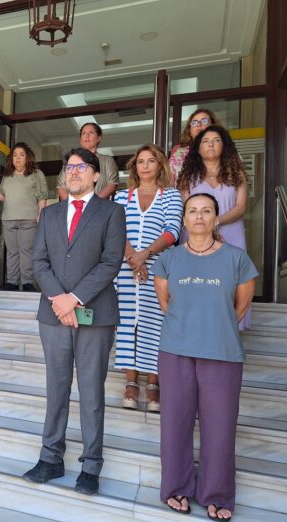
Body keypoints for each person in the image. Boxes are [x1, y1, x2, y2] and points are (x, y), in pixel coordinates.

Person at [23, 147, 126, 495]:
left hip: (95, 315)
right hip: (53, 315)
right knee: (57, 388)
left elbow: (111, 262)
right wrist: (60, 299)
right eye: (69, 167)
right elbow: (39, 262)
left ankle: (91, 465)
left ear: (96, 175)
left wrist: (75, 298)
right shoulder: (50, 214)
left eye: (82, 167)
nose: (74, 172)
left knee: (92, 391)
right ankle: (50, 458)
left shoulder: (112, 212)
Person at [153, 193, 257, 520]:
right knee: (175, 424)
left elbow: (240, 307)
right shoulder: (168, 259)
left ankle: (217, 494)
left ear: (215, 218)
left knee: (220, 427)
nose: (199, 216)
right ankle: (176, 487)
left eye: (206, 211)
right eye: (193, 211)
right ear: (184, 219)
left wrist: (215, 327)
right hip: (176, 351)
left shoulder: (237, 259)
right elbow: (166, 304)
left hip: (222, 352)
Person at [113, 144, 182, 413]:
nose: (145, 165)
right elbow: (115, 230)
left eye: (150, 160)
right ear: (134, 166)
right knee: (126, 323)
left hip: (158, 269)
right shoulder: (122, 196)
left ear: (159, 165)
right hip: (126, 268)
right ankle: (131, 382)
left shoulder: (171, 196)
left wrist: (145, 255)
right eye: (140, 161)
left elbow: (172, 231)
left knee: (156, 323)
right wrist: (133, 258)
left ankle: (154, 383)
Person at [177, 125, 251, 329]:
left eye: (216, 140)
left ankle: (230, 328)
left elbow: (241, 207)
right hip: (196, 236)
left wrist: (215, 222)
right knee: (196, 281)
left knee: (231, 282)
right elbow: (186, 209)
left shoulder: (237, 174)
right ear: (198, 148)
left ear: (224, 145)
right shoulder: (187, 177)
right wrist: (206, 227)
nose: (211, 144)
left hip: (231, 234)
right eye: (206, 141)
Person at [0, 142, 48, 291]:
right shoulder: (7, 175)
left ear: (27, 157)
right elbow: (3, 196)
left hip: (29, 219)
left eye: (21, 155)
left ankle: (27, 283)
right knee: (12, 252)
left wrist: (41, 215)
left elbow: (42, 196)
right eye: (15, 155)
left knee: (26, 251)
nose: (18, 158)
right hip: (8, 219)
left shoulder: (36, 174)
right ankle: (12, 282)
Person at [58, 122, 118, 200]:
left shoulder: (107, 160)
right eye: (84, 133)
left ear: (99, 138)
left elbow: (112, 184)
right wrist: (72, 203)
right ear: (80, 140)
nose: (87, 136)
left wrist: (93, 203)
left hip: (99, 205)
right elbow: (61, 186)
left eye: (91, 132)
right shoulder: (71, 161)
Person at [168, 108, 222, 184]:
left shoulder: (226, 152)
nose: (199, 125)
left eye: (204, 121)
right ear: (189, 131)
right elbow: (167, 184)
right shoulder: (179, 155)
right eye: (194, 122)